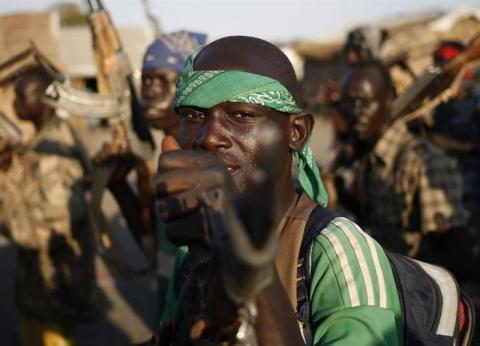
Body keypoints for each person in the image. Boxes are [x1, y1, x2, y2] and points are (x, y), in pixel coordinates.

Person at [153, 36, 407, 345]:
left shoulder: (338, 253)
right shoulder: (192, 252)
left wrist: (243, 252)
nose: (208, 138)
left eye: (241, 115)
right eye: (193, 115)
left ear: (296, 132)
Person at [338, 60, 476, 278]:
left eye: (365, 102)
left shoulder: (421, 160)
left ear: (388, 98)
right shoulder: (371, 158)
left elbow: (454, 253)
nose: (356, 112)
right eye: (348, 102)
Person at [1, 65, 97, 346]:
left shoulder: (55, 153)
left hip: (55, 289)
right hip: (41, 290)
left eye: (21, 96)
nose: (14, 103)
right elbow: (31, 195)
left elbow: (48, 230)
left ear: (43, 99)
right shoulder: (43, 141)